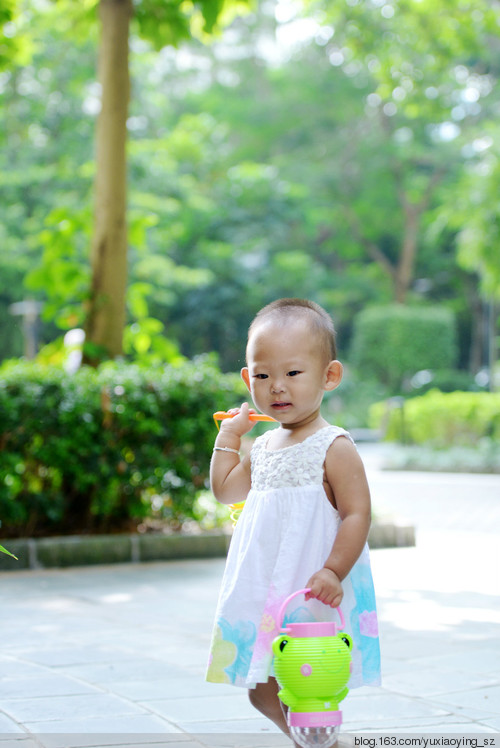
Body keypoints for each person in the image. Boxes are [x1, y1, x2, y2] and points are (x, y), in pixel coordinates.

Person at [206, 298, 380, 742]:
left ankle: (316, 737)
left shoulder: (333, 446)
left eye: (293, 373)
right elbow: (226, 489)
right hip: (264, 588)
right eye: (263, 376)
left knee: (307, 682)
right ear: (248, 379)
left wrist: (333, 570)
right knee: (260, 689)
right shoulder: (263, 447)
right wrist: (229, 438)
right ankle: (310, 740)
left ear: (329, 376)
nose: (277, 387)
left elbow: (357, 512)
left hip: (310, 591)